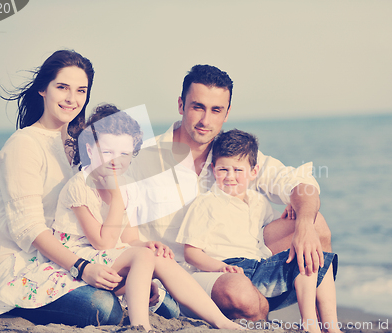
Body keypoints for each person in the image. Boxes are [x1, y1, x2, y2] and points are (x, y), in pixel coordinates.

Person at [0, 104, 240, 331]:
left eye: (124, 154)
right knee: (142, 260)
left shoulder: (127, 185)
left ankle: (220, 321)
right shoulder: (80, 185)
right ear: (90, 150)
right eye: (107, 152)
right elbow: (102, 241)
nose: (115, 161)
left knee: (157, 256)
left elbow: (128, 238)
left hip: (109, 253)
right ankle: (140, 326)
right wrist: (117, 200)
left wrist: (146, 245)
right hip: (77, 255)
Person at [132, 64, 333, 321]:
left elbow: (298, 182)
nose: (206, 120)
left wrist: (304, 223)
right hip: (182, 273)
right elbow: (115, 223)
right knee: (243, 296)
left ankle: (323, 326)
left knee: (316, 224)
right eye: (198, 107)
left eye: (216, 110)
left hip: (241, 259)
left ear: (226, 114)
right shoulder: (145, 158)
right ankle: (257, 309)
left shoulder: (231, 155)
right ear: (181, 105)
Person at [0, 50, 124, 327]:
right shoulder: (24, 144)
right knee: (103, 309)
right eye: (62, 87)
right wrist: (82, 267)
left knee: (164, 303)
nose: (72, 99)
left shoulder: (84, 145)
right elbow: (29, 228)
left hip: (76, 251)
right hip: (26, 258)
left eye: (81, 90)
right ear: (43, 89)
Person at [177, 129, 340, 333]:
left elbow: (276, 223)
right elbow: (191, 252)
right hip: (228, 267)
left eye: (238, 170)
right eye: (223, 170)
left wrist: (292, 206)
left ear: (253, 172)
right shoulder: (206, 203)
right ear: (212, 168)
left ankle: (323, 326)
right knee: (246, 286)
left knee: (310, 258)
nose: (230, 177)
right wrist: (219, 267)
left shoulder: (257, 202)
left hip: (259, 266)